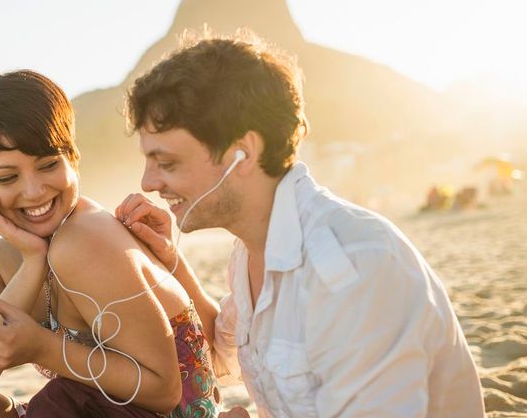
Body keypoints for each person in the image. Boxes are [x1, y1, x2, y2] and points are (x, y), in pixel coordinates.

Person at [115, 35, 484, 417]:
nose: (148, 183)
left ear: (243, 153)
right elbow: (222, 356)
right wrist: (169, 260)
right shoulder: (255, 248)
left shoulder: (351, 267)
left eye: (167, 162)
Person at [0, 70, 220, 418]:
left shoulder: (85, 239)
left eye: (48, 165)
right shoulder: (2, 261)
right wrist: (32, 262)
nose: (34, 191)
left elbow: (164, 391)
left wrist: (42, 347)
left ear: (73, 159)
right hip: (91, 408)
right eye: (7, 177)